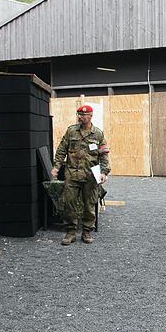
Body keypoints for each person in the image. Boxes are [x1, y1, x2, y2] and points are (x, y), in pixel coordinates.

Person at [51, 104, 110, 245]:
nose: (80, 117)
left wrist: (103, 172)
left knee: (89, 204)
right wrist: (56, 167)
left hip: (90, 175)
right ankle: (70, 232)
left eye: (83, 115)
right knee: (69, 203)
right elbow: (61, 151)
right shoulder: (71, 131)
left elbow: (104, 155)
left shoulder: (98, 134)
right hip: (72, 174)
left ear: (90, 116)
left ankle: (87, 231)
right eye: (78, 114)